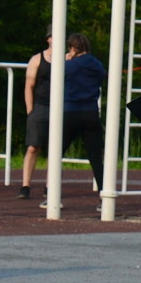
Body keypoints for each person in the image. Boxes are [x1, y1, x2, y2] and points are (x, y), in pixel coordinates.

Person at [61, 31, 107, 194]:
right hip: (91, 112)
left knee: (57, 152)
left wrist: (65, 61)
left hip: (71, 111)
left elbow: (57, 77)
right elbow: (102, 77)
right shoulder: (97, 65)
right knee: (96, 157)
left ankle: (51, 192)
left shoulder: (69, 65)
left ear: (73, 48)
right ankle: (103, 193)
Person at [18, 35, 54, 200]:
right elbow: (29, 85)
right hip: (39, 107)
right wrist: (30, 110)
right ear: (48, 39)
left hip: (59, 108)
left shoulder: (67, 59)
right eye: (53, 36)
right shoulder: (37, 59)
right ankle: (25, 186)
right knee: (33, 147)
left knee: (55, 149)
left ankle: (50, 186)